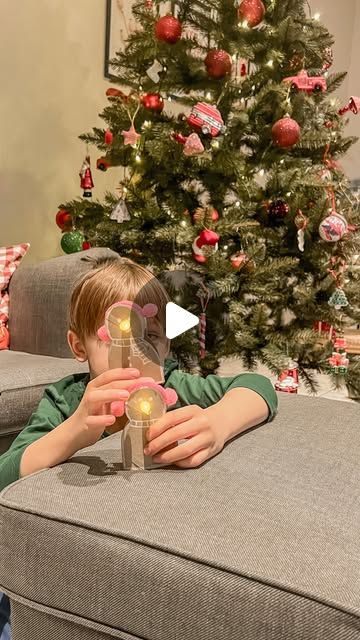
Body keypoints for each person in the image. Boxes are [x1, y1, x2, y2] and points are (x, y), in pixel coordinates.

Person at [0, 256, 278, 638]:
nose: (136, 352)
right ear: (78, 346)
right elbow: (6, 474)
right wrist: (75, 430)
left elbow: (258, 386)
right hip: (78, 542)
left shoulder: (178, 388)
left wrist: (217, 424)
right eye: (116, 337)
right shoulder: (68, 399)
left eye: (151, 337)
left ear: (166, 346)